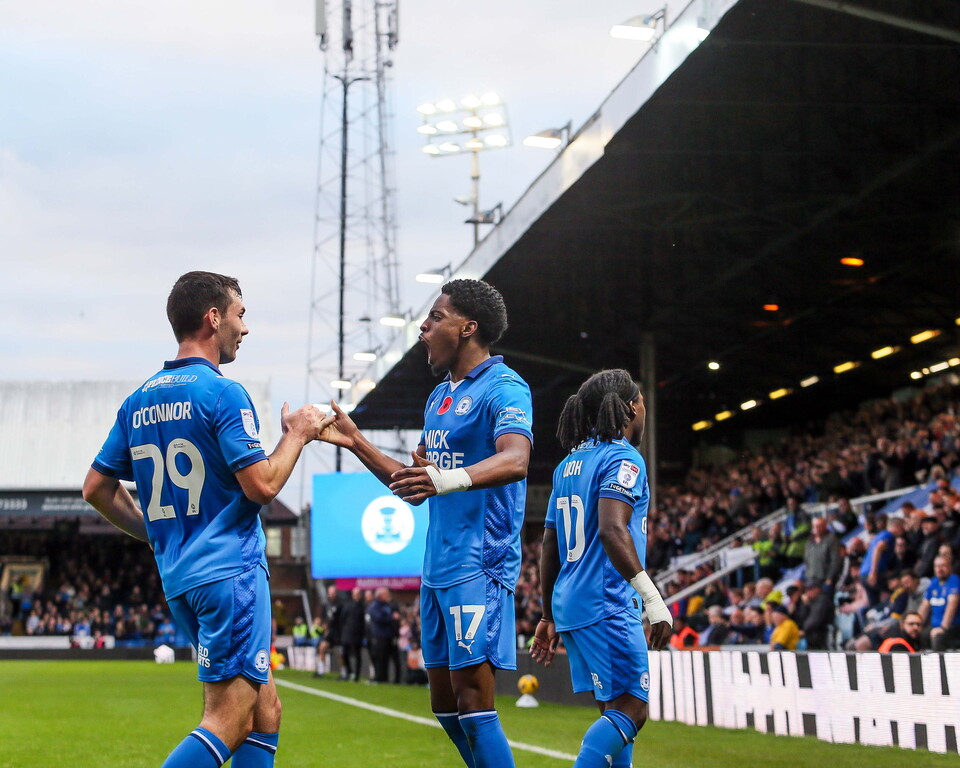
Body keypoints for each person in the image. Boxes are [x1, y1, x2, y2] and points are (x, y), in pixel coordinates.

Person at [82, 271, 330, 768]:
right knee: (228, 720)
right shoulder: (222, 393)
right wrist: (297, 434)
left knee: (266, 712)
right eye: (240, 315)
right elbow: (262, 486)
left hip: (181, 579)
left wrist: (157, 534)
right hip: (230, 573)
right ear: (213, 318)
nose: (245, 328)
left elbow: (96, 489)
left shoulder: (139, 401)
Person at [318, 279, 532, 768]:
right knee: (445, 707)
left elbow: (516, 459)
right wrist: (355, 441)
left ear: (468, 328)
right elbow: (414, 483)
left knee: (475, 705)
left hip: (480, 563)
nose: (423, 327)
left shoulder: (504, 387)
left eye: (436, 317)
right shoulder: (438, 399)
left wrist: (444, 479)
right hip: (436, 568)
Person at [530, 369, 672, 768]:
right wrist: (653, 600)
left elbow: (550, 545)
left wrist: (547, 614)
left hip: (572, 605)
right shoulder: (623, 458)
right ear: (632, 407)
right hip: (606, 602)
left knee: (614, 709)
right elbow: (612, 529)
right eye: (642, 401)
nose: (645, 409)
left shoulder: (567, 465)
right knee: (632, 709)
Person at [919, 555, 960, 652]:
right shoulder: (934, 582)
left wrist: (943, 628)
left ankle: (939, 662)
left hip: (952, 626)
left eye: (943, 566)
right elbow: (925, 605)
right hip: (934, 625)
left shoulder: (954, 580)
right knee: (920, 634)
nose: (939, 569)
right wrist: (917, 624)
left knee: (938, 638)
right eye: (937, 566)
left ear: (950, 567)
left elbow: (952, 603)